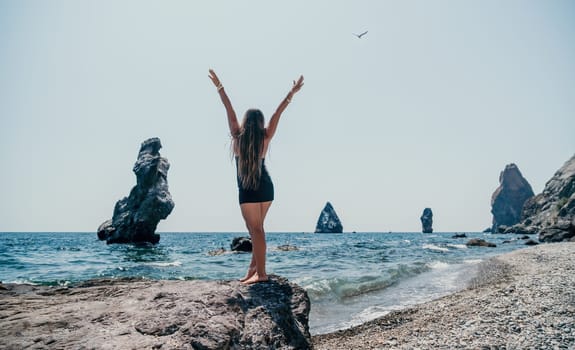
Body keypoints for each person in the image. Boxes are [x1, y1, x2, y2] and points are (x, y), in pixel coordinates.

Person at [209, 69, 304, 284]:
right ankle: (253, 271)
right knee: (257, 231)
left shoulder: (237, 135)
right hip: (266, 187)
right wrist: (292, 92)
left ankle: (261, 274)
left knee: (256, 231)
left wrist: (220, 87)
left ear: (245, 121)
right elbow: (278, 113)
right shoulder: (266, 136)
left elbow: (228, 107)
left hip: (248, 189)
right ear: (260, 122)